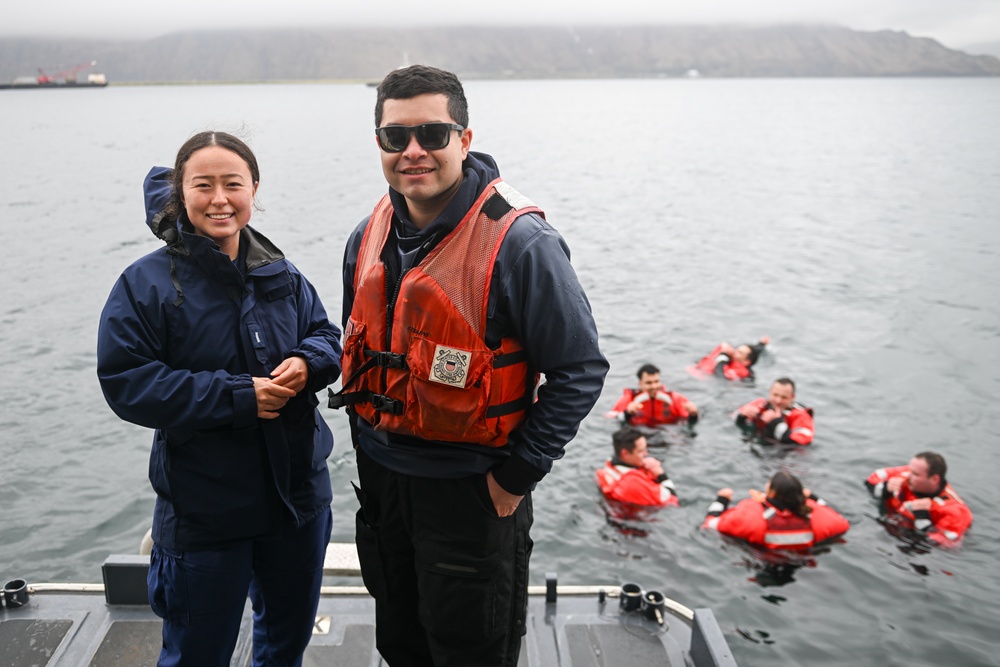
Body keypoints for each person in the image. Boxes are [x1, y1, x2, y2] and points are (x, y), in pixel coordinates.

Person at [331, 65, 609, 666]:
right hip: (384, 486)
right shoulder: (365, 238)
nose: (413, 152)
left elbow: (580, 370)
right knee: (400, 641)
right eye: (394, 137)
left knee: (471, 651)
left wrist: (513, 481)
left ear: (464, 138)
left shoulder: (520, 243)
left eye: (433, 134)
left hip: (473, 494)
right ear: (378, 143)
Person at [97, 131, 343, 666]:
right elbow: (127, 381)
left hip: (297, 504)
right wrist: (238, 397)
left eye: (233, 184)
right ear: (180, 194)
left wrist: (306, 362)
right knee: (196, 656)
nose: (219, 199)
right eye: (202, 185)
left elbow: (328, 336)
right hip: (205, 515)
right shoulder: (146, 284)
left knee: (284, 646)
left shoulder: (281, 272)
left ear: (254, 189)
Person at [702, 471, 849, 549]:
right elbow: (842, 521)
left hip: (763, 558)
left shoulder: (750, 514)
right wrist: (814, 498)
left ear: (771, 493)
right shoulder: (816, 515)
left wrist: (722, 499)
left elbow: (711, 523)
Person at [865, 452, 973, 547]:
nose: (908, 475)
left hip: (910, 544)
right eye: (910, 470)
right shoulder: (906, 474)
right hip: (883, 524)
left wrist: (922, 518)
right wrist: (885, 488)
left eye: (915, 474)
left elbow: (945, 545)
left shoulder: (955, 511)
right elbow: (871, 480)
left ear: (934, 479)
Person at [595, 426, 678, 507]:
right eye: (641, 451)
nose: (646, 454)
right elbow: (672, 500)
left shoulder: (610, 464)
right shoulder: (633, 482)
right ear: (625, 453)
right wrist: (660, 474)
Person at [606, 363, 698, 428]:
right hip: (639, 434)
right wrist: (627, 413)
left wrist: (694, 414)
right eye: (649, 383)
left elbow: (688, 420)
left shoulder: (674, 398)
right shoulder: (630, 398)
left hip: (667, 433)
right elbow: (610, 417)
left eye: (656, 381)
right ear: (640, 384)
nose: (654, 386)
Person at [735, 377, 814, 445]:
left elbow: (800, 443)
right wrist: (742, 416)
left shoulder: (800, 415)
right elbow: (733, 416)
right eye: (775, 395)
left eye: (784, 397)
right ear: (770, 392)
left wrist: (776, 422)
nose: (778, 401)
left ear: (792, 397)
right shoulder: (760, 404)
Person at [691, 336, 769, 381]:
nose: (735, 352)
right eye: (736, 349)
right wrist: (761, 344)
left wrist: (723, 357)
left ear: (746, 362)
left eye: (740, 353)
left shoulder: (742, 372)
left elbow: (720, 377)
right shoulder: (733, 358)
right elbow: (754, 350)